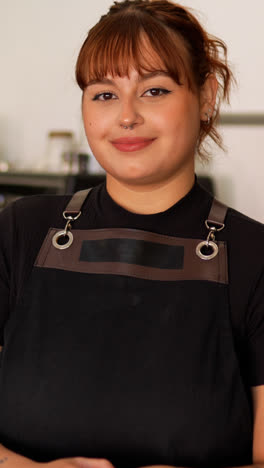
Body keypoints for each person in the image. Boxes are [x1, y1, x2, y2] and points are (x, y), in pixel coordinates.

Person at [0, 1, 263, 467]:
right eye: (104, 94)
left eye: (154, 90)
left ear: (207, 96)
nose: (126, 116)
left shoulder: (254, 256)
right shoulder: (21, 232)